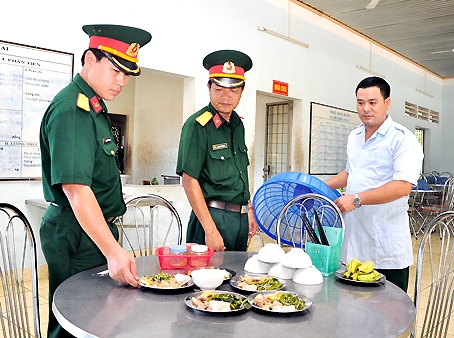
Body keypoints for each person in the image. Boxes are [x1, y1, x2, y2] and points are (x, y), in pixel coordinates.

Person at [39, 24, 151, 338]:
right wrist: (114, 251)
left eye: (127, 74)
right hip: (77, 232)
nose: (121, 81)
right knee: (75, 320)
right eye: (115, 70)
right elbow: (76, 189)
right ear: (90, 60)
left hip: (91, 229)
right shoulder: (73, 109)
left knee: (97, 318)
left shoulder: (94, 107)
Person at [325, 76, 423, 292]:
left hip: (385, 246)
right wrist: (319, 186)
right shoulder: (355, 136)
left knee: (389, 318)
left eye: (372, 102)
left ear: (387, 103)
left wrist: (357, 199)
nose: (365, 109)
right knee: (353, 311)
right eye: (360, 103)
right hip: (354, 242)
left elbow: (402, 186)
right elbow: (350, 173)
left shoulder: (402, 139)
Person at [176, 49, 258, 252]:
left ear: (242, 91)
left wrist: (248, 210)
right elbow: (189, 180)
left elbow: (240, 172)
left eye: (233, 90)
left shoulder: (238, 126)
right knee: (205, 281)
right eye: (219, 89)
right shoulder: (198, 125)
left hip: (238, 221)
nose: (226, 96)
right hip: (211, 219)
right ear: (209, 87)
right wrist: (210, 230)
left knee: (236, 279)